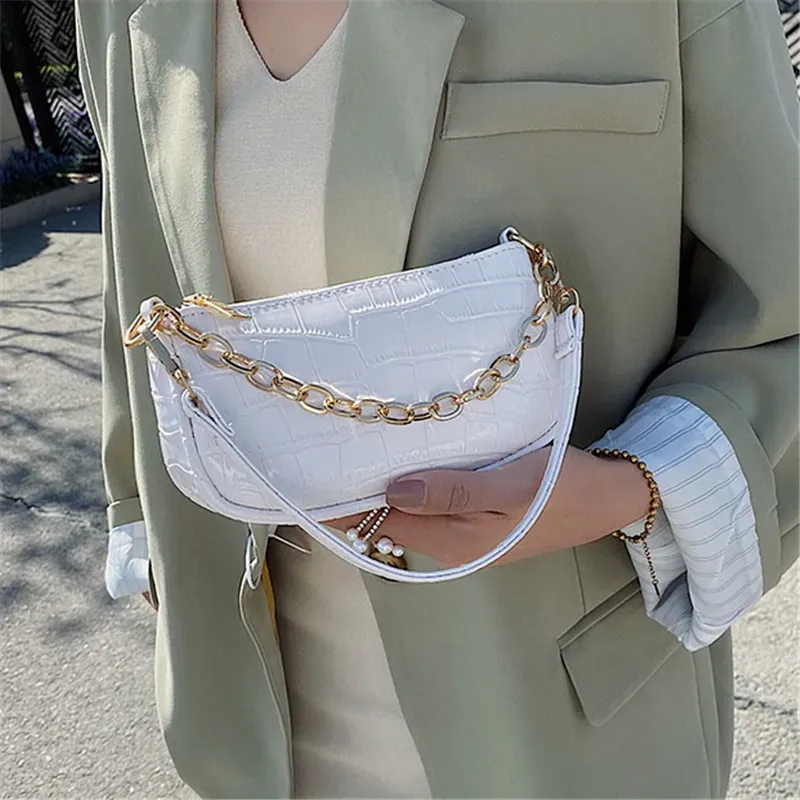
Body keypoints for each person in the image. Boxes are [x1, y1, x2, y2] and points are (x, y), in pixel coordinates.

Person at [76, 0, 798, 797]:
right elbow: (136, 265)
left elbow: (782, 310)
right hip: (263, 733)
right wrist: (142, 514)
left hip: (566, 723)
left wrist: (633, 485)